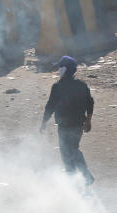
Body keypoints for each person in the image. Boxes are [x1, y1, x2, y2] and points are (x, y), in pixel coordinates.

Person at [40, 56, 95, 185]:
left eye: (60, 67)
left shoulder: (57, 87)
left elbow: (50, 106)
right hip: (78, 124)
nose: (58, 70)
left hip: (64, 125)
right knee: (73, 148)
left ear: (65, 69)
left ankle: (80, 175)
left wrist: (44, 122)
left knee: (66, 150)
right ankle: (77, 176)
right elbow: (90, 103)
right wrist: (88, 120)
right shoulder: (81, 85)